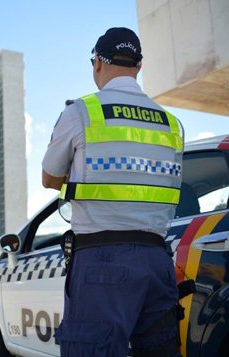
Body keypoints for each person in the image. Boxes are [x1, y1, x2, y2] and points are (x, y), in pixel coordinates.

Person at [43, 27, 183, 356]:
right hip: (156, 260)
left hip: (100, 261)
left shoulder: (81, 112)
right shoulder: (171, 123)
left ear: (97, 64)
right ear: (139, 66)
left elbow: (49, 178)